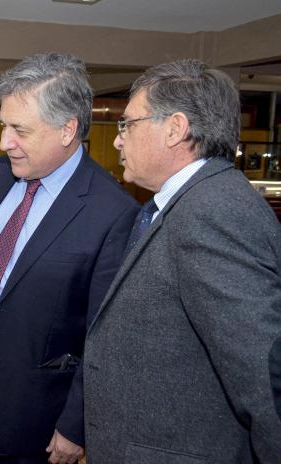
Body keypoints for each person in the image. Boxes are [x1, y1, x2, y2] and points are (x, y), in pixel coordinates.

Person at [0, 53, 139, 464]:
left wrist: (75, 424)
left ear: (67, 130)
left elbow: (105, 340)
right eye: (3, 126)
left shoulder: (112, 212)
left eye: (19, 130)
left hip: (36, 414)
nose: (3, 142)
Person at [83, 60, 281, 463]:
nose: (118, 141)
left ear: (175, 128)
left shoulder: (213, 211)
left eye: (127, 125)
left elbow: (262, 373)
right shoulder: (188, 202)